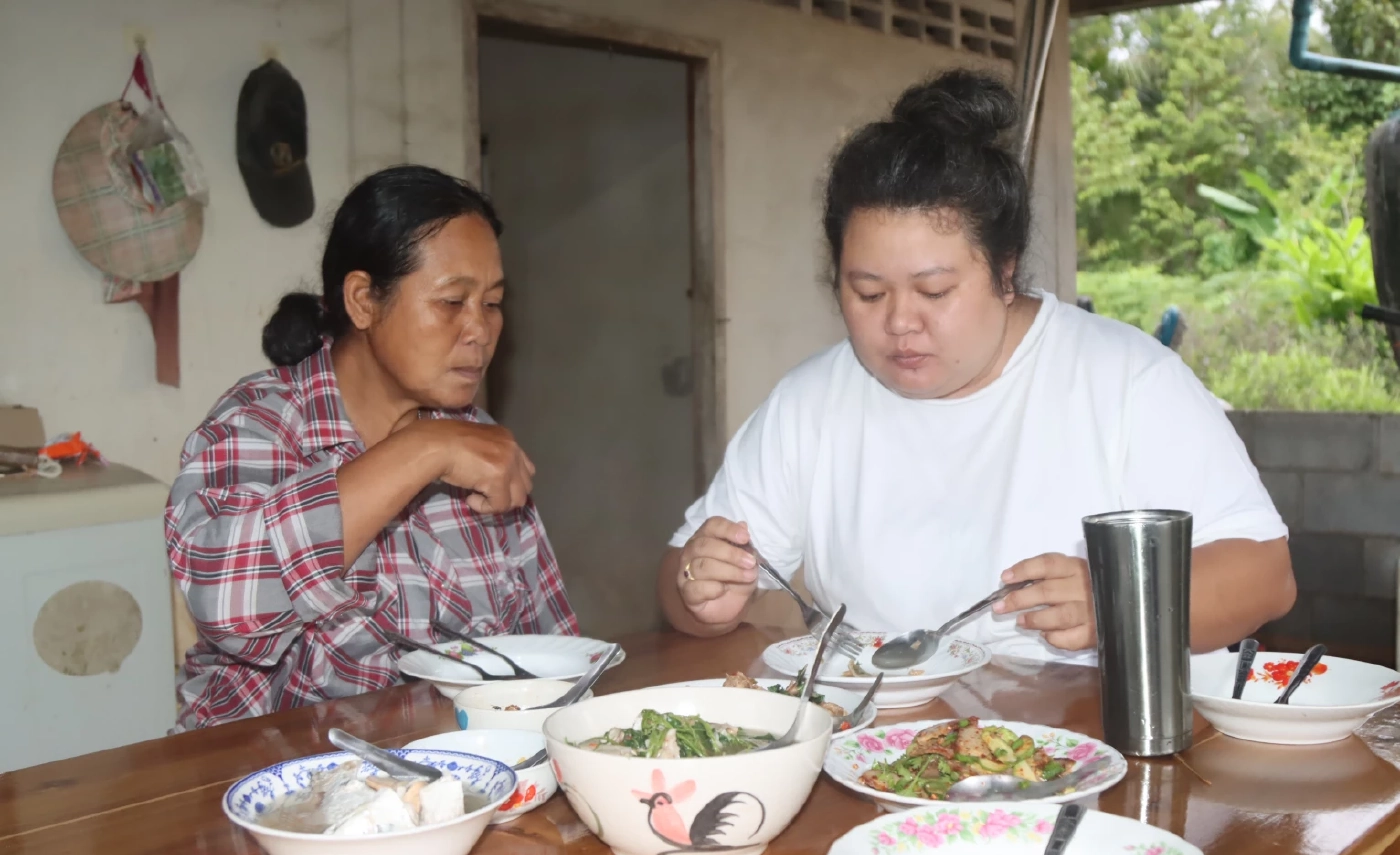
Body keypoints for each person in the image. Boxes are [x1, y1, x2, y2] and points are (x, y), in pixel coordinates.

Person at [660, 70, 1295, 662]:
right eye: (868, 293)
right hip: (873, 746)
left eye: (934, 291)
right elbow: (680, 580)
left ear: (1005, 270)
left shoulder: (1124, 379)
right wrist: (701, 594)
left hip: (1090, 750)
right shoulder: (811, 402)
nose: (900, 321)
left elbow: (1265, 577)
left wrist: (1117, 603)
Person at [167, 165, 577, 730]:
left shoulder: (479, 443)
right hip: (266, 790)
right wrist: (423, 451)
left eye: (492, 303)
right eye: (452, 301)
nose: (479, 330)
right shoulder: (259, 427)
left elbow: (553, 650)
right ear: (362, 300)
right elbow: (229, 608)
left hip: (450, 780)